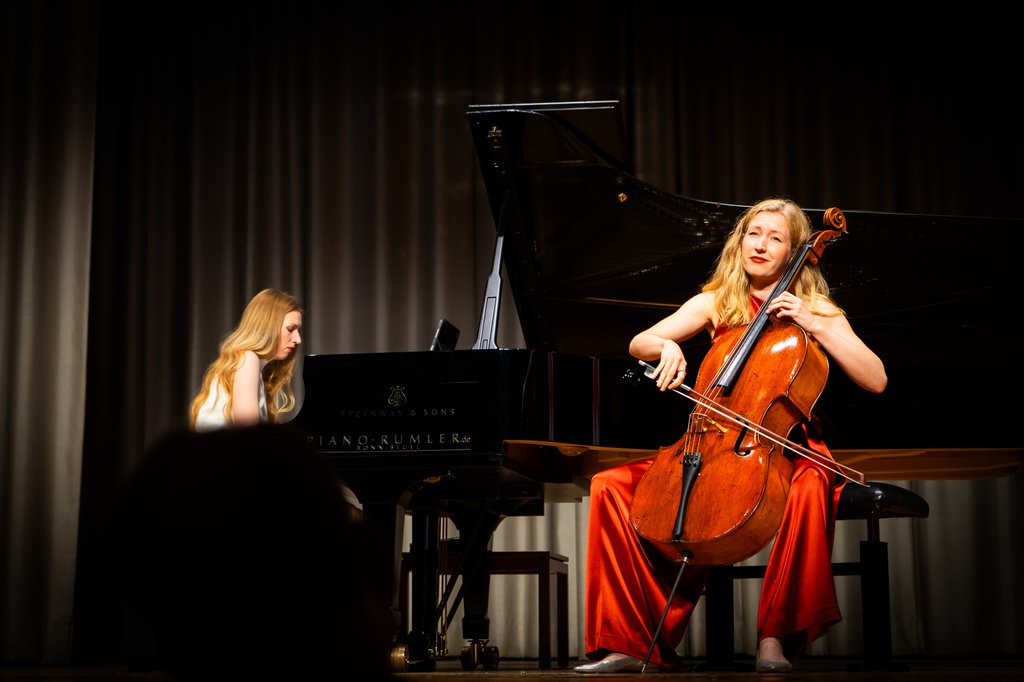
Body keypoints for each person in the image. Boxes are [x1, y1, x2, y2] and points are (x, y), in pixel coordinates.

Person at [575, 197, 887, 674]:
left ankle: (774, 638)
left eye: (775, 238)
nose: (760, 245)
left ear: (793, 252)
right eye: (753, 233)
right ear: (739, 241)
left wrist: (812, 322)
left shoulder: (815, 309)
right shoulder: (717, 301)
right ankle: (629, 641)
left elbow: (876, 378)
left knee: (808, 489)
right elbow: (640, 341)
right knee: (610, 486)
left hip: (784, 450)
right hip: (711, 445)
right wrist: (666, 347)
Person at [190, 288, 303, 430]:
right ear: (267, 327)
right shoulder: (248, 359)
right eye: (291, 329)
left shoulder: (254, 365)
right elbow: (249, 435)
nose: (298, 339)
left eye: (298, 331)